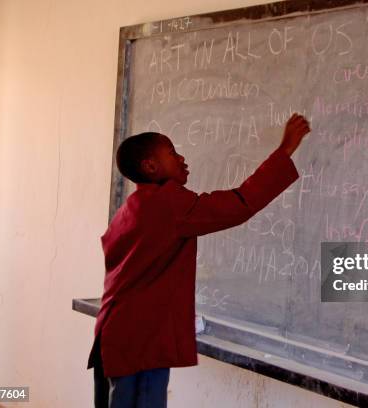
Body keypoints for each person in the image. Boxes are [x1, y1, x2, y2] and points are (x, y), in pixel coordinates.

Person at [88, 114, 311, 407]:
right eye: (171, 153)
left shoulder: (134, 205)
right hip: (141, 343)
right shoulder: (166, 203)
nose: (182, 158)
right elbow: (238, 205)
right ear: (150, 166)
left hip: (117, 338)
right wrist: (284, 151)